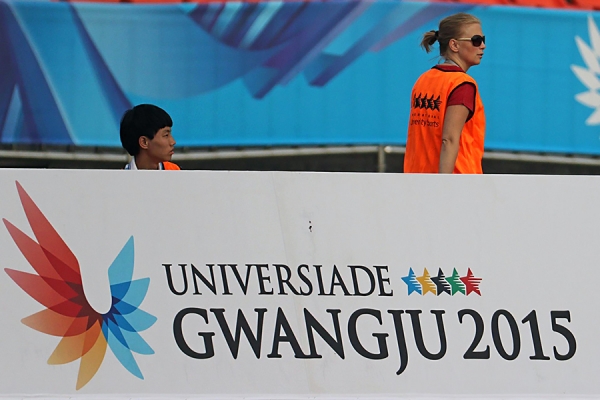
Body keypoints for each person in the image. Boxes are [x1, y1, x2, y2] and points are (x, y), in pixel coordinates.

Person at [404, 13, 486, 174]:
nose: (482, 45)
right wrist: (444, 186)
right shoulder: (462, 84)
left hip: (415, 178)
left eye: (483, 39)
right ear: (454, 45)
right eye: (476, 40)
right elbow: (449, 140)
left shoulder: (423, 80)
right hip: (456, 182)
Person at [120, 104, 180, 170]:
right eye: (166, 135)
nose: (173, 142)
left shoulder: (174, 171)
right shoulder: (120, 178)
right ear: (144, 142)